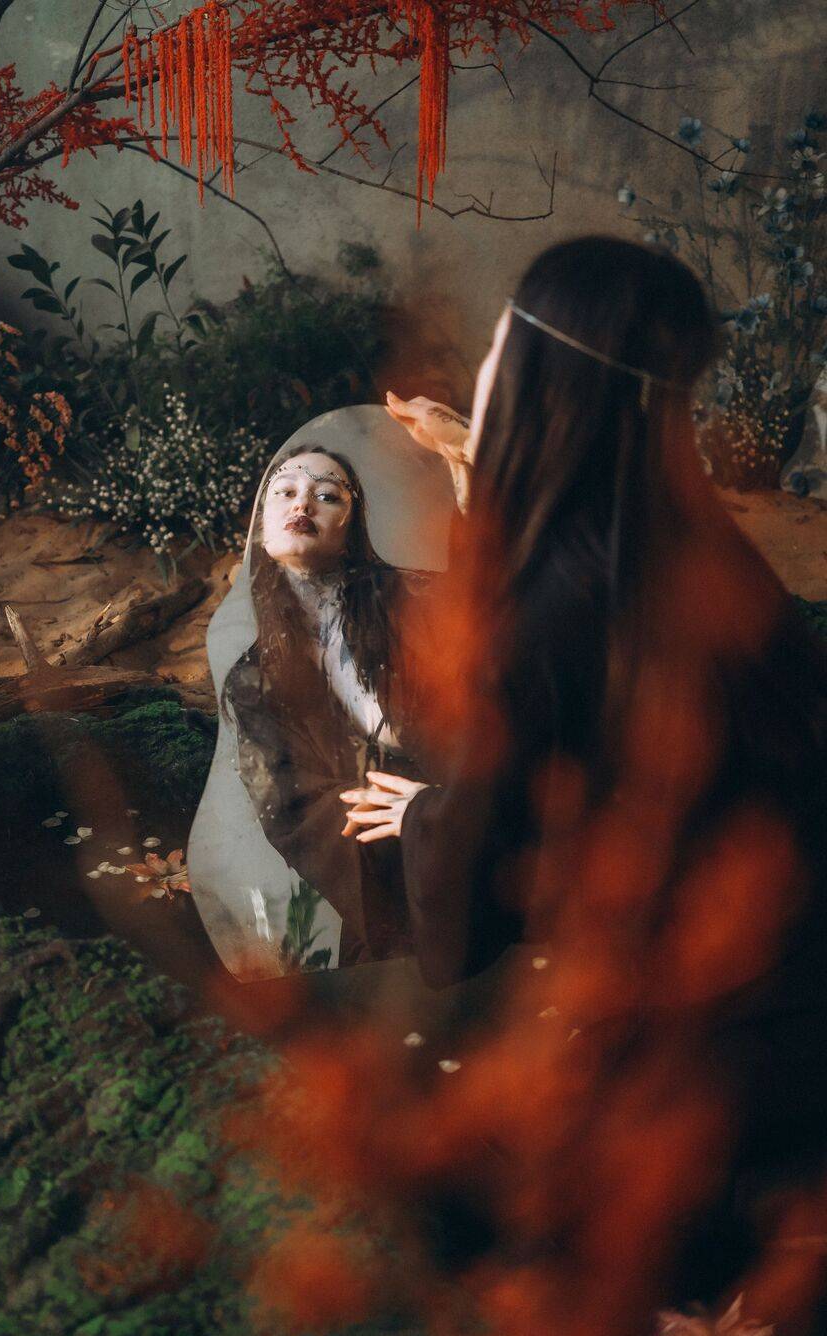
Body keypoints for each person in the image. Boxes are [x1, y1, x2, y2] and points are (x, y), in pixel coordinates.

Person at [341, 236, 827, 1226]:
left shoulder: (544, 619)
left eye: (497, 344)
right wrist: (471, 450)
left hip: (718, 1071)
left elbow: (472, 908)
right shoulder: (707, 559)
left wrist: (430, 817)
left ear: (532, 370)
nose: (482, 366)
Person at [221, 442, 436, 965]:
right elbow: (291, 805)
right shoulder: (252, 678)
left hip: (472, 831)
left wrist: (440, 810)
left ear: (351, 527)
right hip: (378, 876)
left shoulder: (417, 602)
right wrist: (393, 819)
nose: (302, 504)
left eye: (326, 496)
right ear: (260, 526)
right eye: (285, 492)